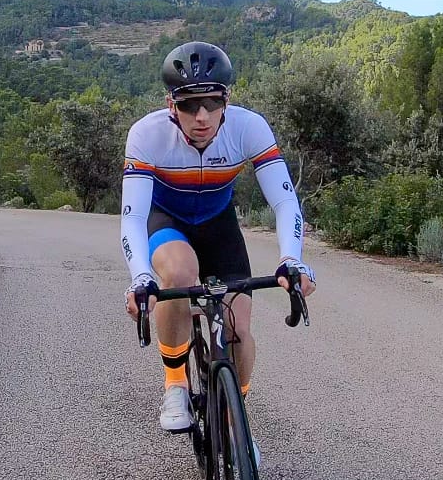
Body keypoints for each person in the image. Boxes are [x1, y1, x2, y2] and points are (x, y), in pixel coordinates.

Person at [120, 40, 316, 433]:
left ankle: (234, 420)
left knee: (239, 331)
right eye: (189, 104)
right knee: (177, 274)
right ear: (170, 104)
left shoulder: (250, 127)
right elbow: (133, 216)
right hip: (167, 218)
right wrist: (141, 277)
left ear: (227, 99)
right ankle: (175, 384)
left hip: (218, 223)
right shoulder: (147, 135)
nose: (202, 116)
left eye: (211, 102)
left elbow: (284, 203)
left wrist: (291, 258)